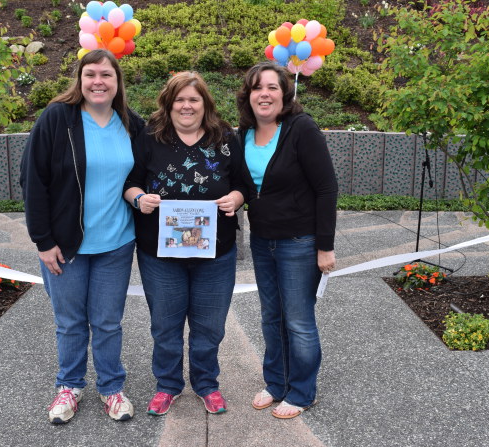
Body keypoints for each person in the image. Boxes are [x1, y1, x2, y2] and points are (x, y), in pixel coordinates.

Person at [20, 49, 145, 424]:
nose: (98, 82)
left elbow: (142, 176)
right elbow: (32, 179)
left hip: (116, 244)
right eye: (90, 74)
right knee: (70, 323)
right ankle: (69, 386)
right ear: (80, 79)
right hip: (65, 245)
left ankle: (111, 387)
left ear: (117, 81)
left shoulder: (132, 124)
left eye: (106, 75)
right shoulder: (58, 118)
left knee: (107, 322)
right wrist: (43, 241)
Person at [124, 71, 246, 416]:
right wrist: (139, 199)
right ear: (168, 103)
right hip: (160, 255)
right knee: (165, 325)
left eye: (194, 99)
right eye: (179, 99)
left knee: (210, 326)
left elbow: (243, 185)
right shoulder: (150, 137)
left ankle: (206, 384)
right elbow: (129, 183)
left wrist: (235, 199)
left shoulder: (225, 138)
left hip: (216, 253)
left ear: (205, 103)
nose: (187, 105)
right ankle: (167, 385)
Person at [236, 62, 338, 419]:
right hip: (263, 241)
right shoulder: (244, 133)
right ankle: (277, 383)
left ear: (285, 93)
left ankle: (302, 391)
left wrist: (325, 246)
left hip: (299, 242)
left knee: (298, 320)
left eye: (272, 87)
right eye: (257, 88)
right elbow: (244, 186)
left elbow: (326, 188)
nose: (264, 94)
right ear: (248, 95)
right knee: (271, 317)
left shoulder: (301, 128)